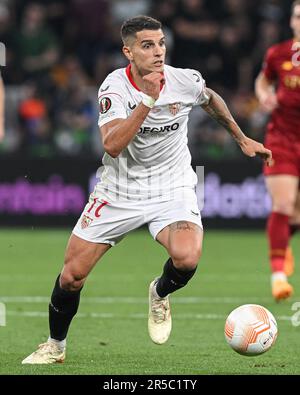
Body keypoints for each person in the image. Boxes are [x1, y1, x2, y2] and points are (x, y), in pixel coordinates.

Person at [22, 15, 272, 364]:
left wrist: (241, 138)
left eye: (161, 44)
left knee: (187, 258)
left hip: (172, 186)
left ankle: (159, 291)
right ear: (128, 51)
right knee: (72, 276)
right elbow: (111, 145)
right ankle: (55, 346)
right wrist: (148, 101)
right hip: (120, 190)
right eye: (147, 45)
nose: (158, 52)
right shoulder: (114, 87)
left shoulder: (183, 80)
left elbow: (210, 97)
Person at [255, 0, 300, 302]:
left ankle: (284, 247)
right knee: (283, 205)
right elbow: (263, 79)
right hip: (281, 139)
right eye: (298, 16)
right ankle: (278, 277)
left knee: (295, 213)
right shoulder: (278, 53)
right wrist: (263, 95)